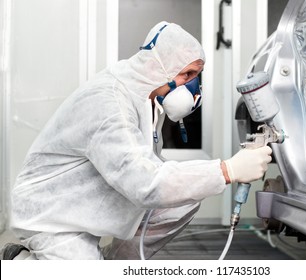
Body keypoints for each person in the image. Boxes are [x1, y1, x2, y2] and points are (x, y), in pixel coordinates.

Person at [1, 21, 272, 260]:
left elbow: (150, 169)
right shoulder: (108, 103)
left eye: (196, 77)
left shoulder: (145, 99)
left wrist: (218, 172)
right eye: (187, 75)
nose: (193, 87)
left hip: (89, 201)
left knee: (184, 199)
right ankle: (21, 262)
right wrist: (227, 170)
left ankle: (116, 264)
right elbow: (145, 183)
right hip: (53, 217)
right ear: (160, 65)